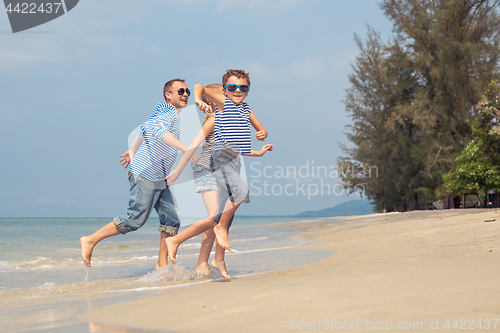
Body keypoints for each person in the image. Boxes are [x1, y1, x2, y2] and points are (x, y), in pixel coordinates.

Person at [80, 79, 196, 269]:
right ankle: (90, 240)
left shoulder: (164, 112)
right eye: (180, 91)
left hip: (160, 174)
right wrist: (185, 149)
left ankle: (162, 266)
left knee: (171, 219)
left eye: (187, 91)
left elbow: (144, 129)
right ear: (168, 95)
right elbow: (157, 132)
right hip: (146, 173)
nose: (185, 95)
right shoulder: (167, 112)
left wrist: (132, 151)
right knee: (135, 219)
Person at [165, 69, 273, 271]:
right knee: (217, 218)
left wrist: (257, 151)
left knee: (221, 219)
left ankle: (208, 263)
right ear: (216, 101)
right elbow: (193, 146)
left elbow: (234, 149)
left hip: (225, 171)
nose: (235, 94)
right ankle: (190, 252)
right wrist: (179, 170)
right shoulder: (215, 120)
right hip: (207, 170)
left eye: (242, 88)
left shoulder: (235, 118)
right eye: (229, 91)